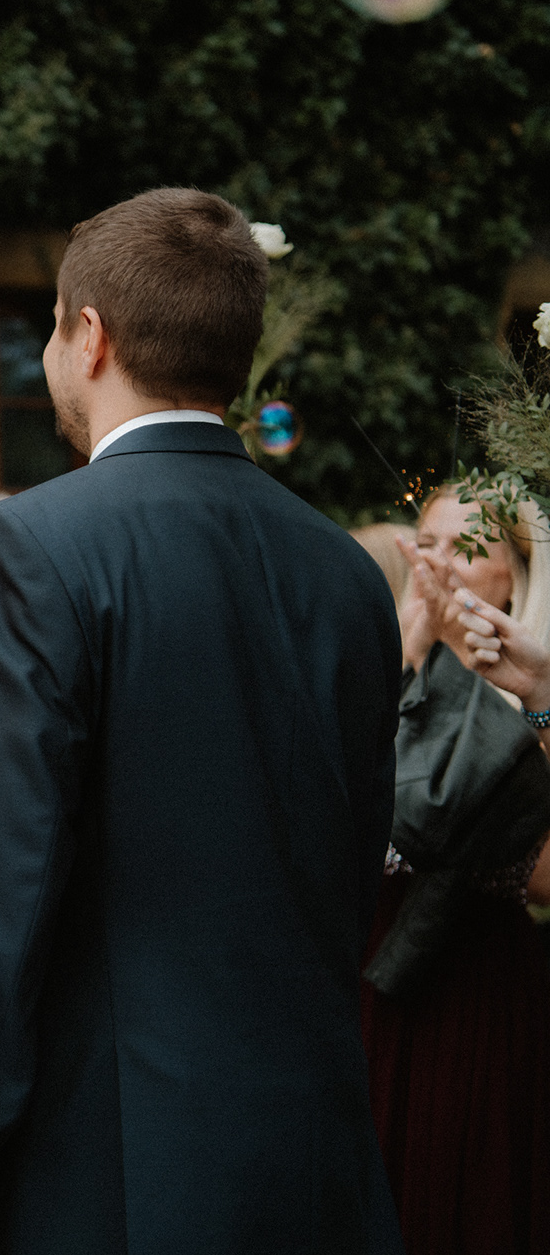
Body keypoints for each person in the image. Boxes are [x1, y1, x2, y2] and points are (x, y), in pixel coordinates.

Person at [0, 188, 404, 1254]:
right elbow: (350, 877)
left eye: (50, 331)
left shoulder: (30, 547)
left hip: (110, 1169)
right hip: (316, 1156)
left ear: (91, 336)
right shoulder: (345, 570)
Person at [359, 487, 550, 1254]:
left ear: (514, 577)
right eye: (428, 542)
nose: (437, 564)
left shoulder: (530, 692)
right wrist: (403, 660)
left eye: (465, 548)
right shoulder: (379, 667)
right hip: (369, 988)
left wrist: (540, 699)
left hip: (479, 997)